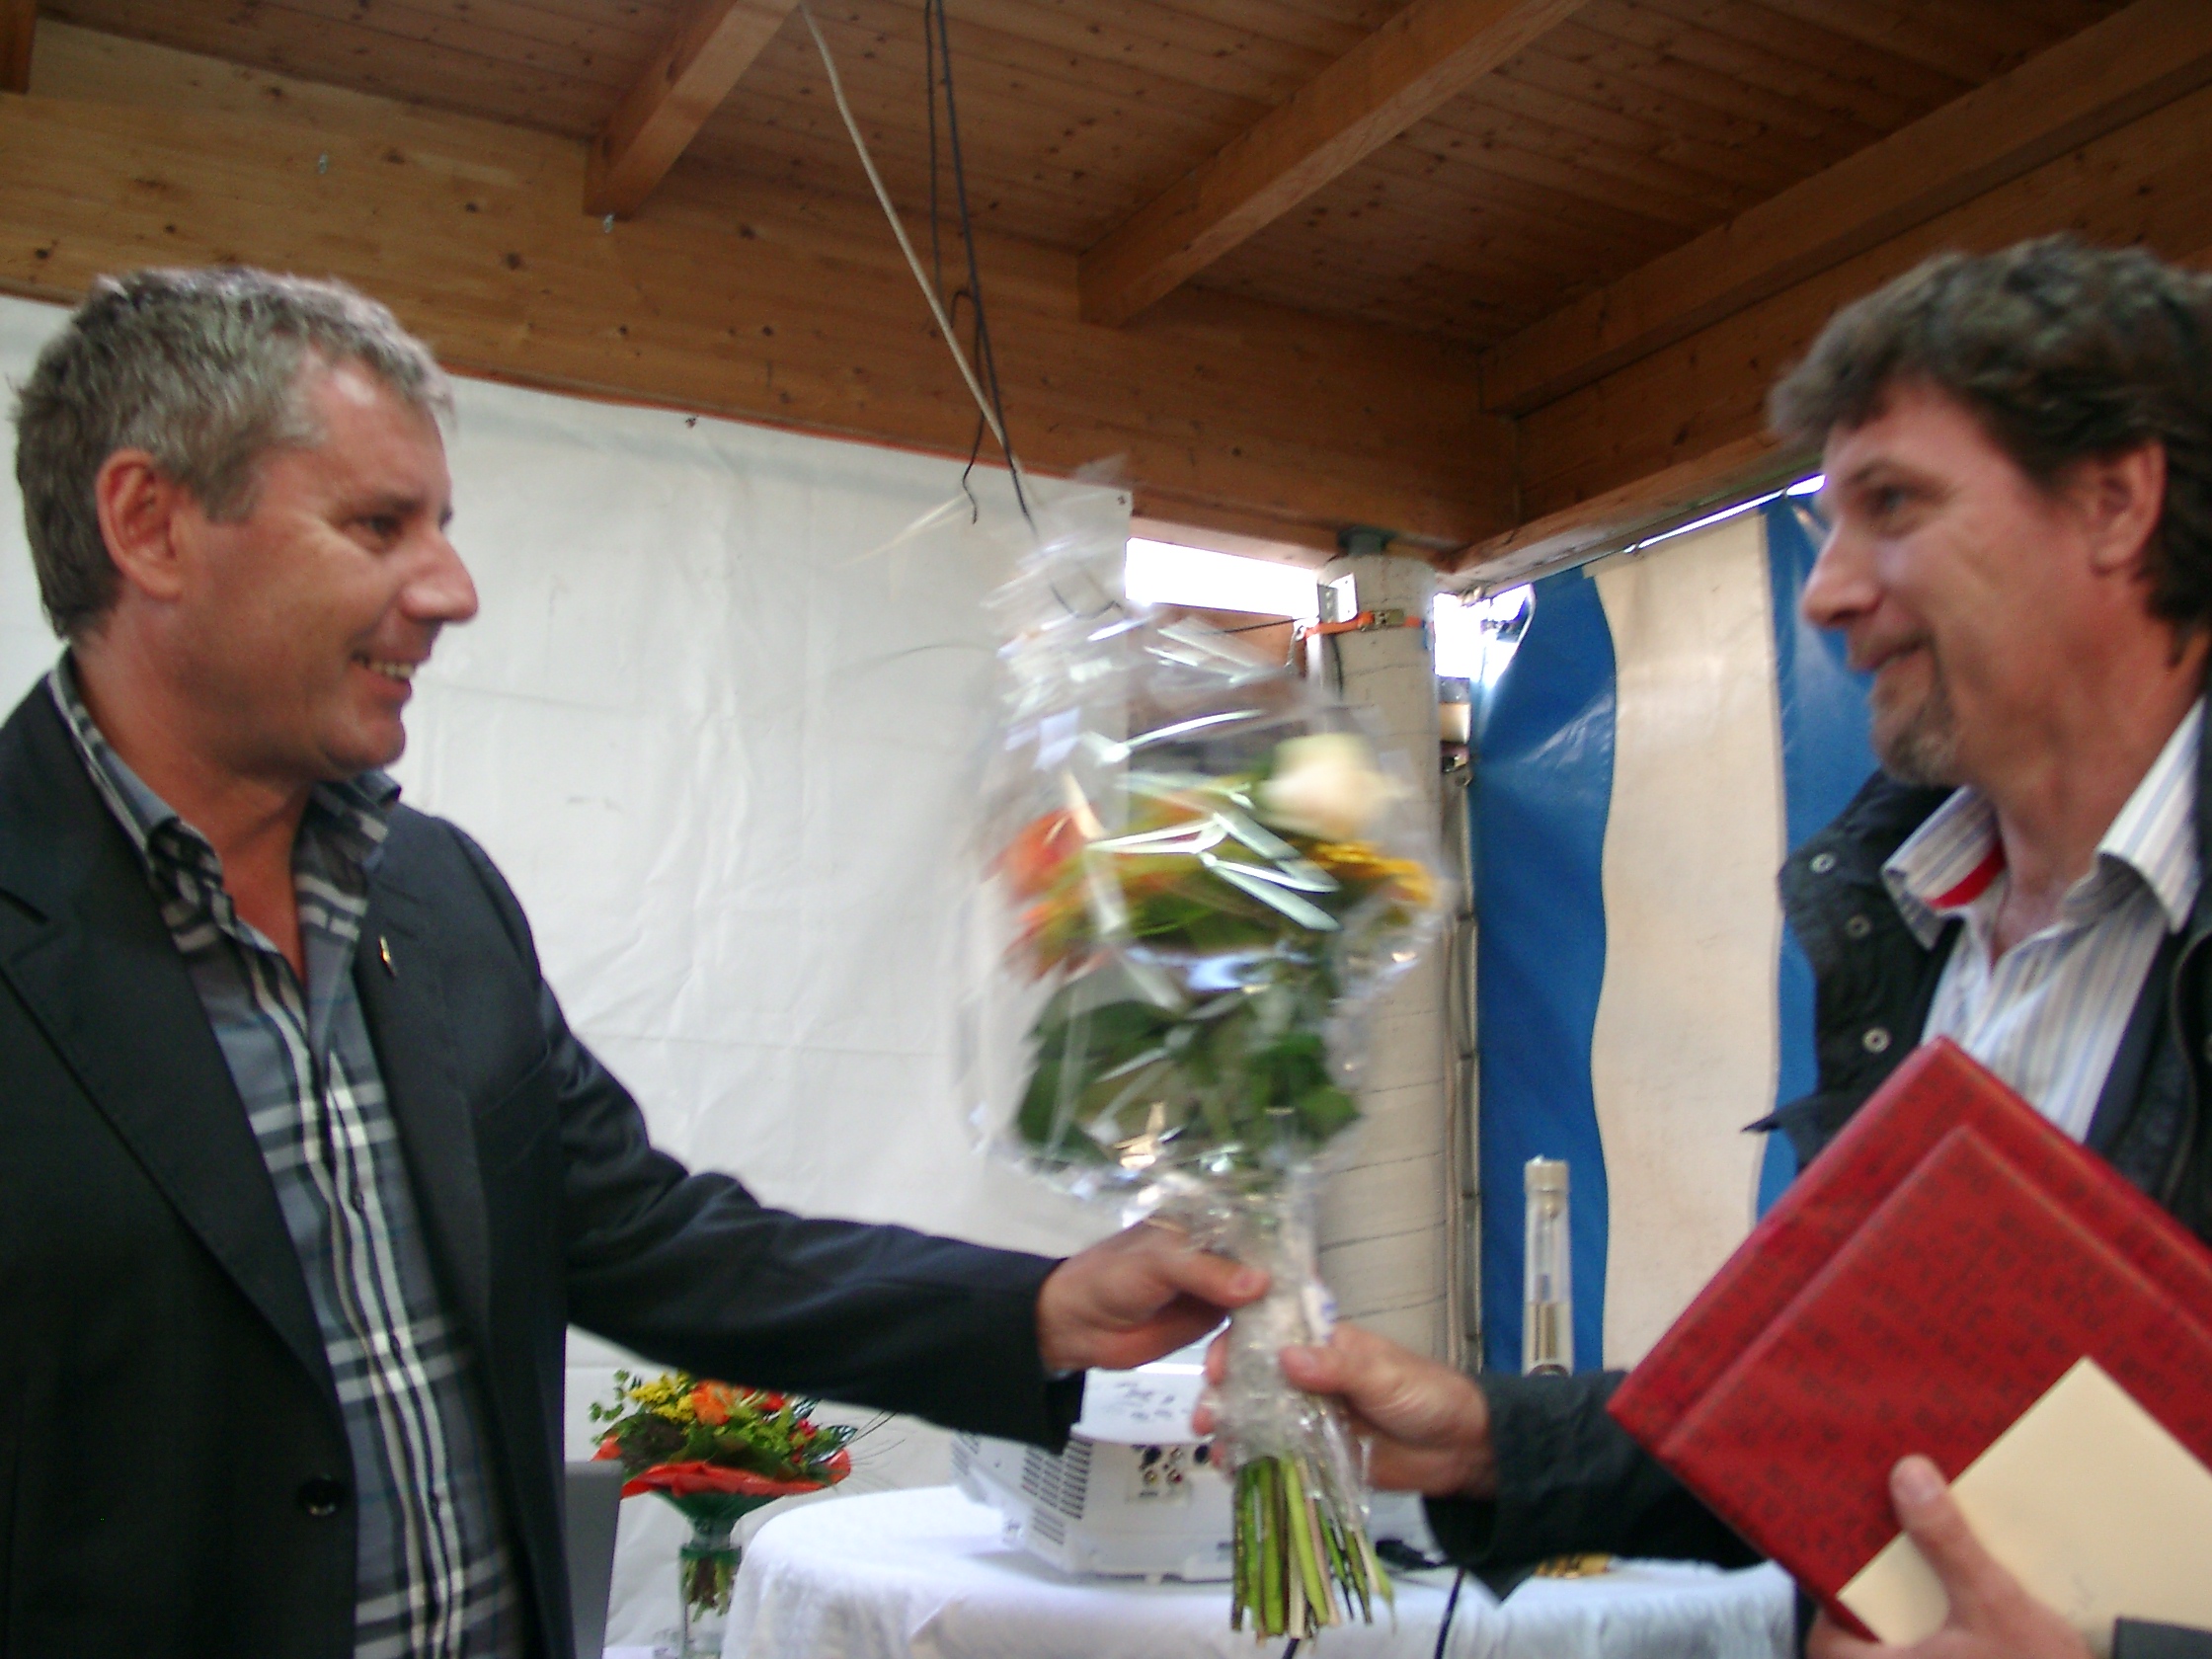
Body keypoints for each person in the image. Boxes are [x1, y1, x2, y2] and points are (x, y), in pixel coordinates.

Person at [0, 267, 1261, 1658]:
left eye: (441, 527)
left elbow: (652, 1245)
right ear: (150, 525)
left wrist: (1040, 1310)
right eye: (377, 525)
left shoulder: (435, 895)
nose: (453, 589)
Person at [1208, 237, 2212, 1659]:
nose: (1826, 590)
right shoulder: (1906, 921)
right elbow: (1860, 1428)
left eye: (1893, 506)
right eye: (1830, 520)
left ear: (2114, 502)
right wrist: (1489, 1435)